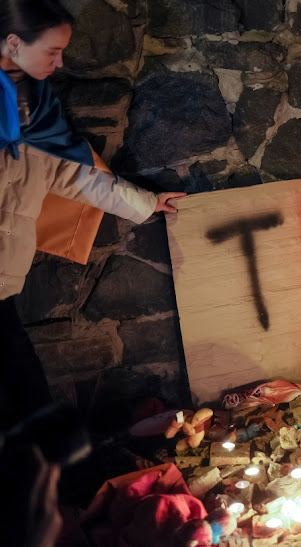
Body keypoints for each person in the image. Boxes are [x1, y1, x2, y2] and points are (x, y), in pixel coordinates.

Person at [0, 0, 185, 427]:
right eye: (52, 50)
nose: (61, 62)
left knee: (26, 401)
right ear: (13, 43)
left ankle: (47, 485)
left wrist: (145, 202)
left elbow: (73, 175)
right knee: (25, 401)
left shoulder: (39, 111)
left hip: (4, 283)